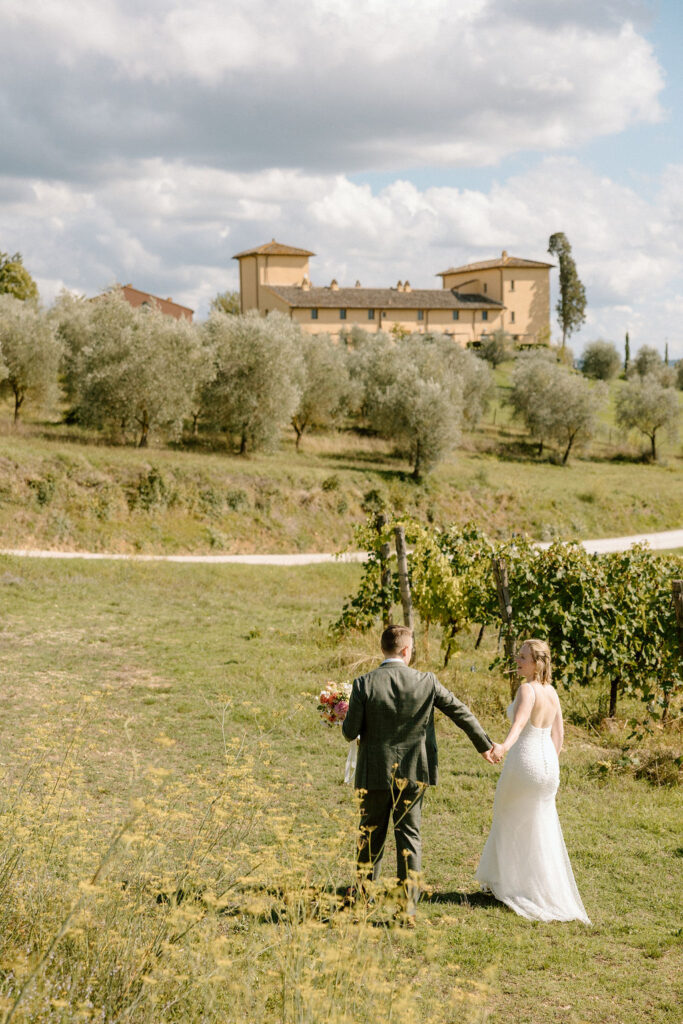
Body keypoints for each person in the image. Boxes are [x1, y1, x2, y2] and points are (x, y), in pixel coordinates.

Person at [342, 624, 502, 926]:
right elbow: (460, 711)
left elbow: (350, 732)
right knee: (409, 839)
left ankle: (363, 902)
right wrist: (484, 744)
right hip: (414, 771)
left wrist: (345, 715)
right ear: (405, 650)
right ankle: (407, 911)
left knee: (370, 836)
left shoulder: (363, 683)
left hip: (374, 772)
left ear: (383, 649)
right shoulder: (427, 681)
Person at [476, 638, 591, 924]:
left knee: (506, 818)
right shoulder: (552, 692)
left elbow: (519, 725)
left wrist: (502, 747)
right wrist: (550, 762)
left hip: (524, 761)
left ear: (538, 663)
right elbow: (559, 735)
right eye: (519, 655)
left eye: (524, 657)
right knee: (540, 826)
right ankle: (533, 885)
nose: (518, 660)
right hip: (548, 767)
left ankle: (506, 883)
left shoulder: (527, 689)